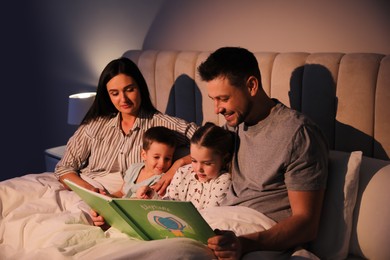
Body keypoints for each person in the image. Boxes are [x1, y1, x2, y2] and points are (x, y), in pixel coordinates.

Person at [197, 47, 329, 259]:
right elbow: (206, 150)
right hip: (223, 221)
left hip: (258, 232)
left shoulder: (297, 133)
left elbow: (307, 223)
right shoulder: (236, 123)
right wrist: (175, 166)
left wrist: (243, 244)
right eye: (213, 99)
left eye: (223, 98)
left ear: (251, 86)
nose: (216, 109)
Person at [55, 57, 198, 195]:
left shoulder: (165, 125)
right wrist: (90, 190)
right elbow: (64, 168)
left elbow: (214, 145)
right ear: (108, 96)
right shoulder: (95, 126)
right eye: (115, 93)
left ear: (140, 88)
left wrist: (178, 163)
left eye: (129, 90)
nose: (123, 99)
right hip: (85, 188)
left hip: (122, 196)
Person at [146, 122, 234, 210]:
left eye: (207, 163)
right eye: (194, 160)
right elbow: (170, 203)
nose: (199, 169)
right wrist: (152, 197)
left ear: (224, 159)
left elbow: (210, 214)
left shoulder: (222, 180)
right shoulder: (182, 172)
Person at [109, 126, 177, 198]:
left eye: (167, 159)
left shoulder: (161, 180)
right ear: (144, 155)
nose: (162, 163)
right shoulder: (134, 168)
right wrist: (106, 197)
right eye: (156, 157)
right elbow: (122, 192)